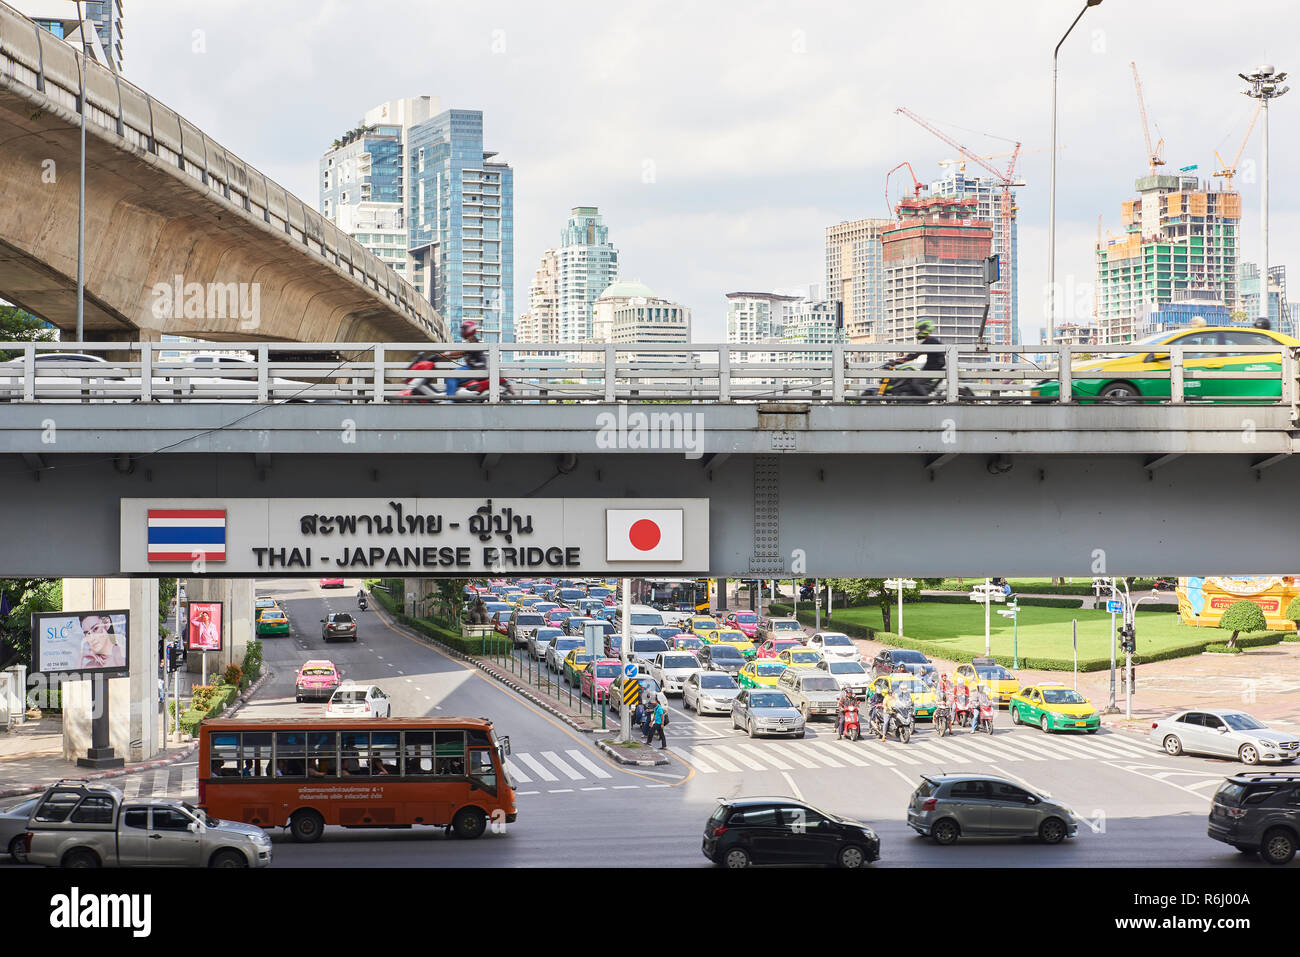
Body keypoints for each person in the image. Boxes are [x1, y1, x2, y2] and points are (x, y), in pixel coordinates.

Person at [888, 319, 945, 397]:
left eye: (920, 330)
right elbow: (916, 353)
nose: (918, 332)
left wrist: (901, 361)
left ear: (925, 329)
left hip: (932, 369)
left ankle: (927, 399)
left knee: (915, 382)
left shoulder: (930, 341)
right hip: (931, 369)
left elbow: (916, 354)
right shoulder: (930, 340)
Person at [444, 319, 486, 396]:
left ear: (468, 330)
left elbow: (462, 352)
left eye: (463, 329)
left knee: (450, 376)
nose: (462, 331)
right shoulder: (471, 341)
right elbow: (461, 355)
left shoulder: (473, 342)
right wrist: (447, 357)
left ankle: (449, 400)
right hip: (473, 368)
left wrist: (447, 353)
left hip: (474, 369)